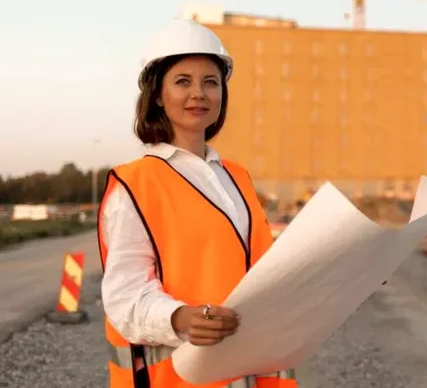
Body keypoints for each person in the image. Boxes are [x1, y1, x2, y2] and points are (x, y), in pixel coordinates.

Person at [97, 19, 299, 388]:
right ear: (157, 94)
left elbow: (256, 266)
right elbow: (124, 297)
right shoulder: (136, 185)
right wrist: (178, 318)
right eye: (183, 81)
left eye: (211, 82)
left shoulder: (237, 177)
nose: (199, 94)